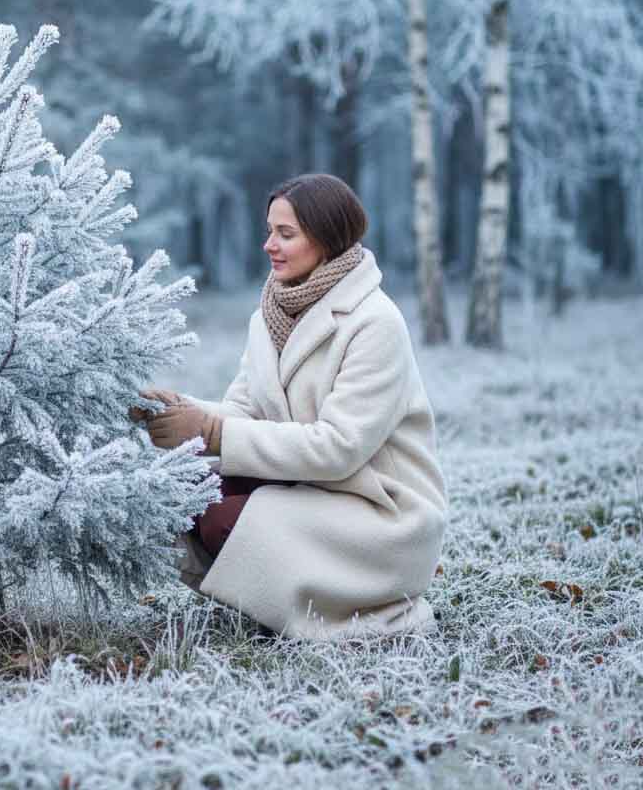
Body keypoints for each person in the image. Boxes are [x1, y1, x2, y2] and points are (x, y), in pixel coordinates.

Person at [131, 173, 448, 641]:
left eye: (286, 234)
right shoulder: (270, 315)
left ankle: (363, 611)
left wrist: (211, 433)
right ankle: (285, 600)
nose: (268, 245)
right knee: (188, 490)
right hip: (314, 485)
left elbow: (340, 448)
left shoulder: (376, 322)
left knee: (221, 517)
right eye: (269, 231)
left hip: (380, 511)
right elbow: (243, 408)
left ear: (327, 239)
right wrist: (178, 408)